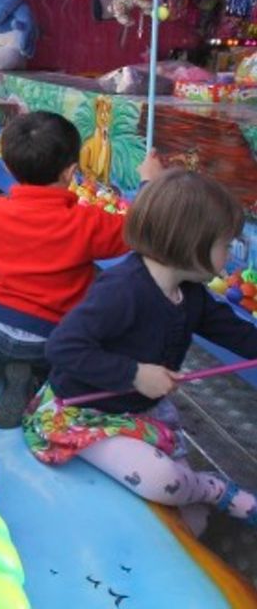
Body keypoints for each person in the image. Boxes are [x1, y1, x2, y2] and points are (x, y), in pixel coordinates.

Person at [24, 169, 257, 535]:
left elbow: (235, 333)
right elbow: (63, 347)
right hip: (84, 412)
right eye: (226, 245)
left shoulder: (189, 292)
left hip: (140, 411)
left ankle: (201, 499)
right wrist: (134, 373)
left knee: (190, 524)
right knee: (167, 481)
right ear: (189, 242)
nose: (230, 256)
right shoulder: (123, 290)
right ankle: (216, 488)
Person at [0, 111, 161, 428]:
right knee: (71, 365)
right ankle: (33, 377)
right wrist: (148, 183)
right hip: (52, 341)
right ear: (71, 171)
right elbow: (141, 228)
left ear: (8, 166)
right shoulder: (87, 222)